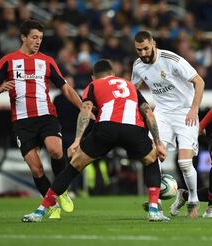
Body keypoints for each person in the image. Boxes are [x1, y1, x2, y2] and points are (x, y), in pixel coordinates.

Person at [22, 59, 169, 222]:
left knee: (73, 167)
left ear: (93, 77)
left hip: (106, 128)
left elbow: (85, 110)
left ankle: (40, 211)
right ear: (113, 74)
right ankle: (154, 211)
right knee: (151, 161)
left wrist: (77, 140)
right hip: (133, 129)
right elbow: (148, 112)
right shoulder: (129, 85)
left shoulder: (93, 86)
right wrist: (158, 142)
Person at [0, 19, 82, 218]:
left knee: (56, 151)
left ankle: (60, 190)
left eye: (41, 38)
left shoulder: (47, 61)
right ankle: (52, 204)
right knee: (36, 169)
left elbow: (66, 89)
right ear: (23, 37)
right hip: (22, 122)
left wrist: (84, 107)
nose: (38, 41)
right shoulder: (8, 61)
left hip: (46, 115)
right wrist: (1, 88)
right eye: (34, 37)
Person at [131, 30, 205, 218]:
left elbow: (199, 81)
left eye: (146, 48)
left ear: (153, 43)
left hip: (185, 112)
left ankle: (193, 200)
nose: (143, 53)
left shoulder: (171, 60)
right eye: (139, 50)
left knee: (185, 162)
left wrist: (194, 109)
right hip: (162, 113)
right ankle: (156, 202)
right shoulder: (138, 66)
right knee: (151, 156)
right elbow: (133, 90)